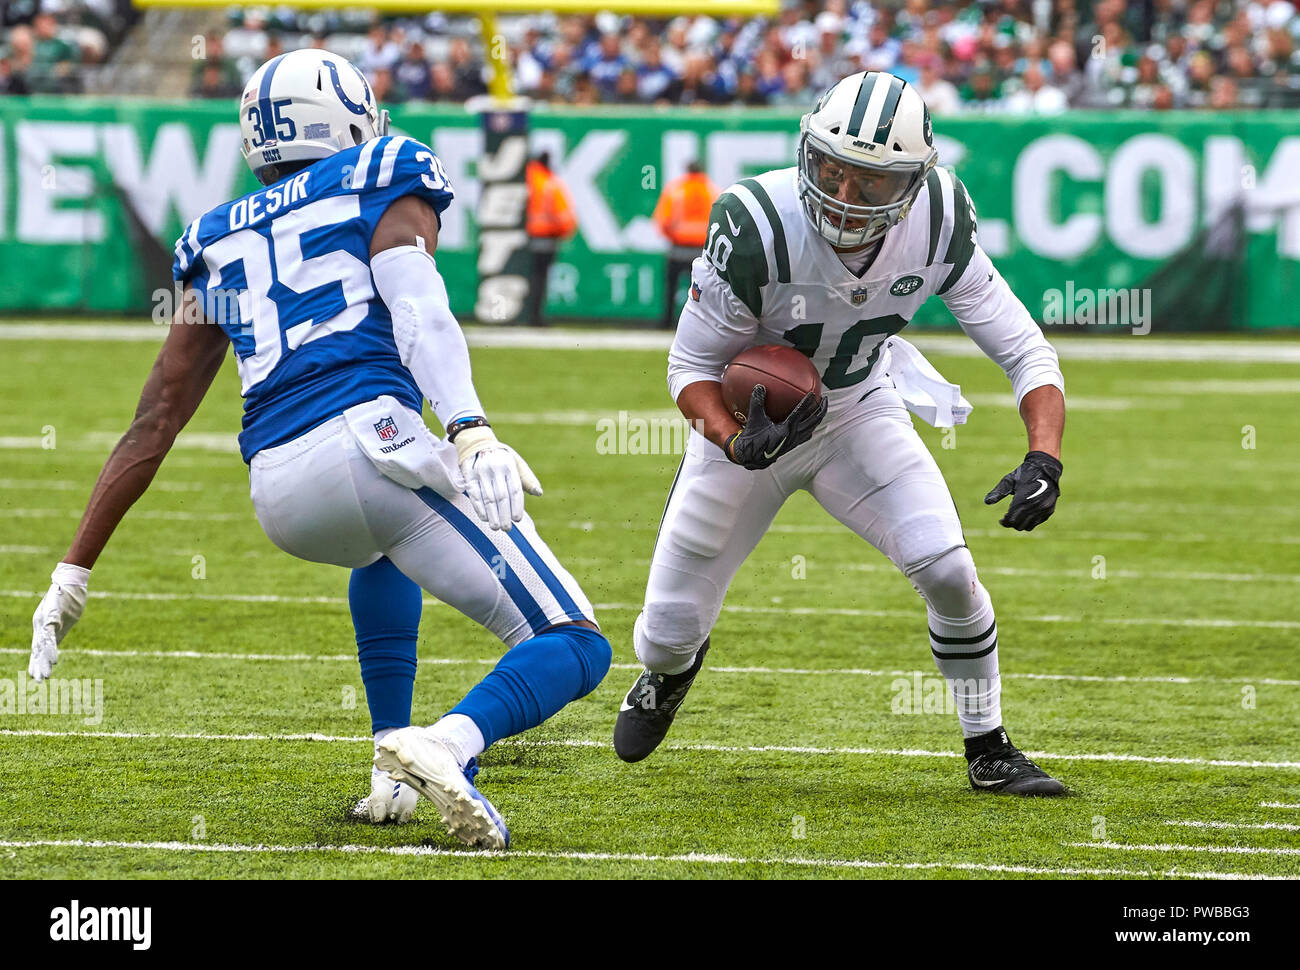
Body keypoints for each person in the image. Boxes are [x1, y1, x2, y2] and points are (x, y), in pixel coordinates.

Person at [27, 50, 611, 849]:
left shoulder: (216, 235)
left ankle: (388, 772)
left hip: (280, 490)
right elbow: (420, 310)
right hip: (369, 440)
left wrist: (74, 569)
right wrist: (470, 428)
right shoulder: (384, 171)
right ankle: (449, 742)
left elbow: (154, 419)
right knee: (574, 641)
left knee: (379, 553)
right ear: (344, 120)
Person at [613, 71, 1068, 797]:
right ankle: (670, 676)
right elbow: (690, 364)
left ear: (915, 185)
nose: (845, 195)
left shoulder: (940, 218)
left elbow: (1024, 349)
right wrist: (735, 440)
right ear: (807, 154)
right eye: (832, 170)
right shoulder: (757, 223)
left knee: (948, 569)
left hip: (858, 408)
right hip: (753, 423)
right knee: (666, 630)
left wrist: (1044, 454)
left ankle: (989, 744)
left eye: (872, 182)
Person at [652, 160, 719, 328]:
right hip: (702, 251)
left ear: (686, 170)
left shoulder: (675, 190)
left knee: (671, 288)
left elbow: (662, 221)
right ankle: (699, 325)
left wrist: (674, 236)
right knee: (701, 293)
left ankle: (667, 322)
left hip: (678, 248)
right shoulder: (712, 191)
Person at [524, 151, 577, 326]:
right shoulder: (549, 184)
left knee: (529, 278)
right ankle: (536, 317)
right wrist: (564, 231)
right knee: (540, 278)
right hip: (547, 237)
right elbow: (563, 217)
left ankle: (525, 315)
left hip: (526, 237)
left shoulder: (527, 180)